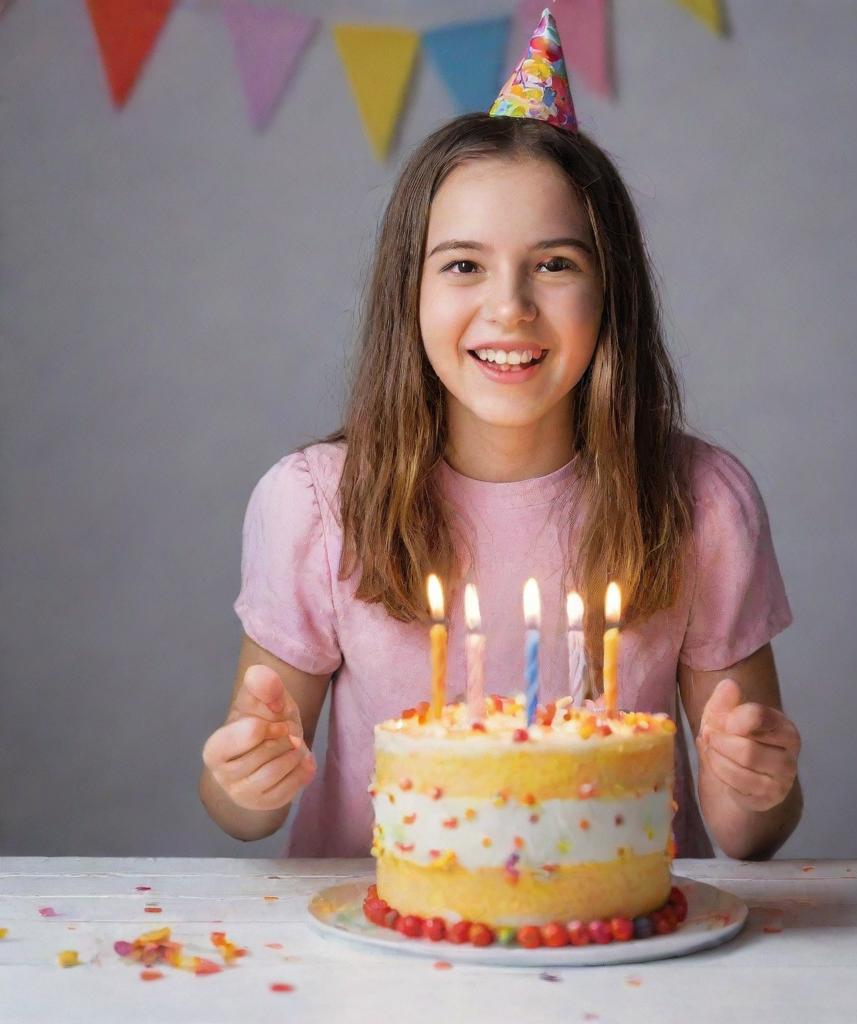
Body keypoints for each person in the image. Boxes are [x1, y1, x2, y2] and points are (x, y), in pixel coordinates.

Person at [199, 9, 802, 862]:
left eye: (555, 264)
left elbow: (753, 833)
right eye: (463, 265)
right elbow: (239, 807)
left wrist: (754, 783)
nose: (509, 307)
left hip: (625, 942)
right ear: (408, 294)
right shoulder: (317, 505)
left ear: (611, 294)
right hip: (379, 956)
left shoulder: (700, 503)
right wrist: (245, 778)